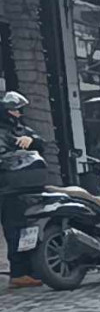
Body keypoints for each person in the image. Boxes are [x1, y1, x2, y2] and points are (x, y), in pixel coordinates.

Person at [1, 91, 44, 288]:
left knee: (22, 228)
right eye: (15, 110)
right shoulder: (3, 131)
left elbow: (39, 142)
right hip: (7, 187)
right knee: (14, 229)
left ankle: (24, 271)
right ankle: (19, 272)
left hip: (20, 185)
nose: (18, 114)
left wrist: (31, 140)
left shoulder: (19, 128)